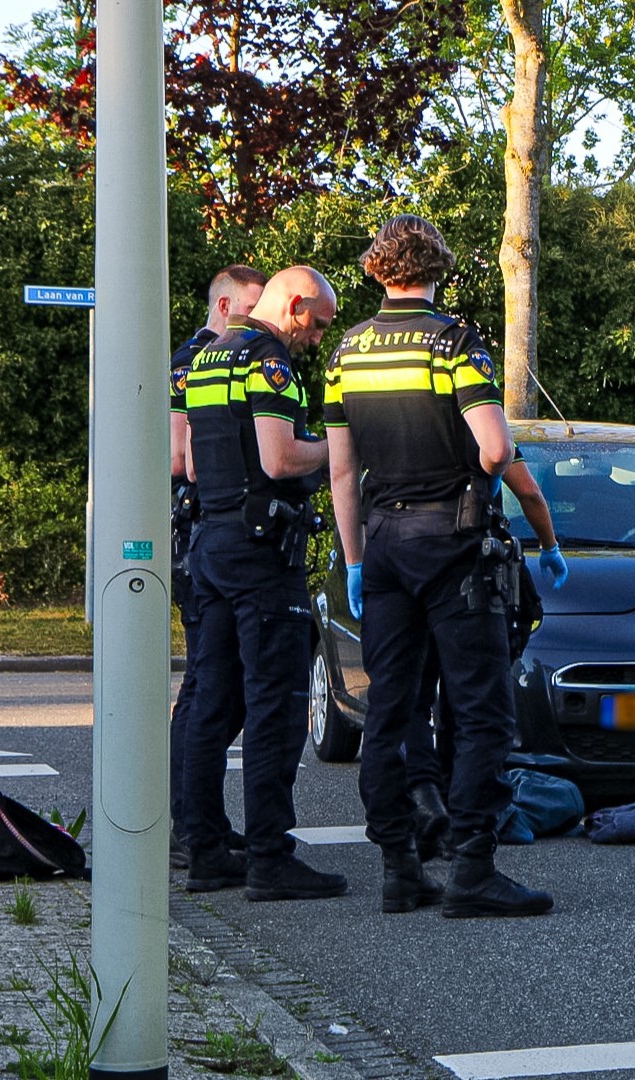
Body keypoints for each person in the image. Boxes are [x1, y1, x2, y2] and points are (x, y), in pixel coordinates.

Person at [326, 214, 553, 918]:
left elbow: (340, 470)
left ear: (375, 270)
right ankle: (473, 870)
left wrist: (358, 560)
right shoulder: (455, 342)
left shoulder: (347, 350)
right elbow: (492, 448)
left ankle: (399, 869)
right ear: (438, 268)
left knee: (392, 708)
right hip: (453, 547)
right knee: (482, 711)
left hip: (384, 543)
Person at [181, 265, 347, 902]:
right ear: (297, 304)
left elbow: (194, 465)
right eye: (318, 325)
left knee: (210, 704)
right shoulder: (267, 360)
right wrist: (341, 447)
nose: (316, 340)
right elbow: (280, 459)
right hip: (260, 558)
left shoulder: (207, 356)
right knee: (275, 711)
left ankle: (204, 851)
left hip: (212, 545)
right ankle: (271, 860)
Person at [405, 451, 567, 859]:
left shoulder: (393, 412)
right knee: (474, 707)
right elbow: (528, 491)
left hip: (401, 561)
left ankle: (421, 812)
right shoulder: (476, 419)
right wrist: (550, 546)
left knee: (412, 701)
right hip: (464, 569)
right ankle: (465, 827)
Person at [168, 264, 266, 870]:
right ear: (226, 307)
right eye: (251, 311)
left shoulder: (208, 356)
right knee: (210, 691)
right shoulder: (197, 360)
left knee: (214, 691)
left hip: (209, 534)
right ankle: (192, 827)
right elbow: (185, 460)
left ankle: (199, 821)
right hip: (207, 533)